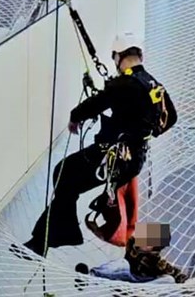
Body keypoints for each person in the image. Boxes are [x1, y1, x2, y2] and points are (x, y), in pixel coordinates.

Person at [19, 32, 177, 257]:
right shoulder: (154, 85)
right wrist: (143, 131)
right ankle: (48, 237)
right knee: (67, 178)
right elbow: (171, 118)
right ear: (140, 54)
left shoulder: (123, 83)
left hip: (112, 156)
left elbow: (96, 103)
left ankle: (54, 236)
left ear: (118, 56)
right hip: (132, 158)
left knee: (63, 172)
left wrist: (75, 117)